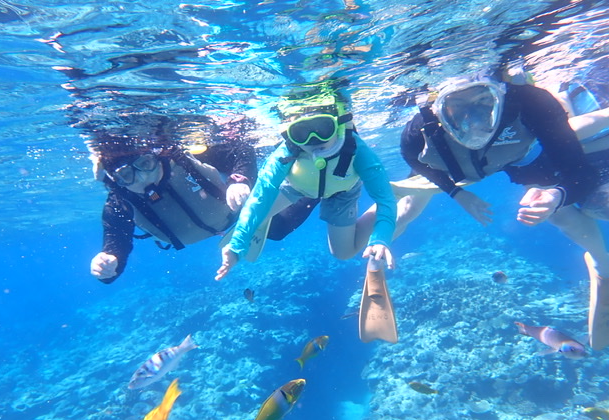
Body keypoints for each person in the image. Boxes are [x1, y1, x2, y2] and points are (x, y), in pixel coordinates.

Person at [388, 69, 609, 349]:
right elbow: (414, 160)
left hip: (523, 158)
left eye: (483, 102)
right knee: (406, 210)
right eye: (457, 108)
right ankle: (376, 243)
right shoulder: (417, 133)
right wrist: (457, 193)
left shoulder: (531, 103)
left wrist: (556, 195)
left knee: (579, 207)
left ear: (499, 94)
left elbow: (576, 167)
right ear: (436, 108)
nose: (474, 121)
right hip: (476, 166)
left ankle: (602, 262)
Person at [215, 88, 398, 342]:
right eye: (301, 132)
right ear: (290, 134)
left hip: (343, 191)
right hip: (298, 187)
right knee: (259, 212)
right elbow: (259, 198)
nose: (313, 141)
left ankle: (401, 199)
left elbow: (384, 200)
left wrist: (380, 237)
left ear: (340, 123)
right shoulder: (286, 152)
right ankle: (252, 228)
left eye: (322, 128)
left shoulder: (358, 150)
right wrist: (237, 246)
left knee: (343, 253)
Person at [89, 116, 259, 284]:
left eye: (145, 164)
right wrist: (108, 262)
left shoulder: (184, 160)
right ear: (116, 180)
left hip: (239, 215)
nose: (143, 178)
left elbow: (241, 149)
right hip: (225, 224)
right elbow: (116, 242)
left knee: (279, 228)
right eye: (126, 175)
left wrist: (240, 180)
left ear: (156, 156)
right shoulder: (120, 201)